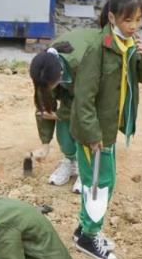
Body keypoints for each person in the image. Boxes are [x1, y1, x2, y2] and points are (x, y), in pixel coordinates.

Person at [70, 0, 142, 259]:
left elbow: (140, 77)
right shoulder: (98, 49)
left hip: (108, 128)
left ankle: (84, 228)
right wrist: (93, 135)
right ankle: (89, 236)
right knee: (99, 183)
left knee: (100, 180)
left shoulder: (128, 44)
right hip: (94, 133)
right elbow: (83, 98)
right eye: (128, 20)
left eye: (138, 20)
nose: (133, 26)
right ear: (112, 17)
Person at [29, 28, 98, 193]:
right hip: (72, 88)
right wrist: (45, 144)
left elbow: (86, 104)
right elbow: (43, 105)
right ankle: (70, 161)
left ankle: (86, 168)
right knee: (64, 126)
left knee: (82, 123)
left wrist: (59, 115)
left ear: (59, 75)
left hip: (93, 92)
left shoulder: (80, 64)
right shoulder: (45, 67)